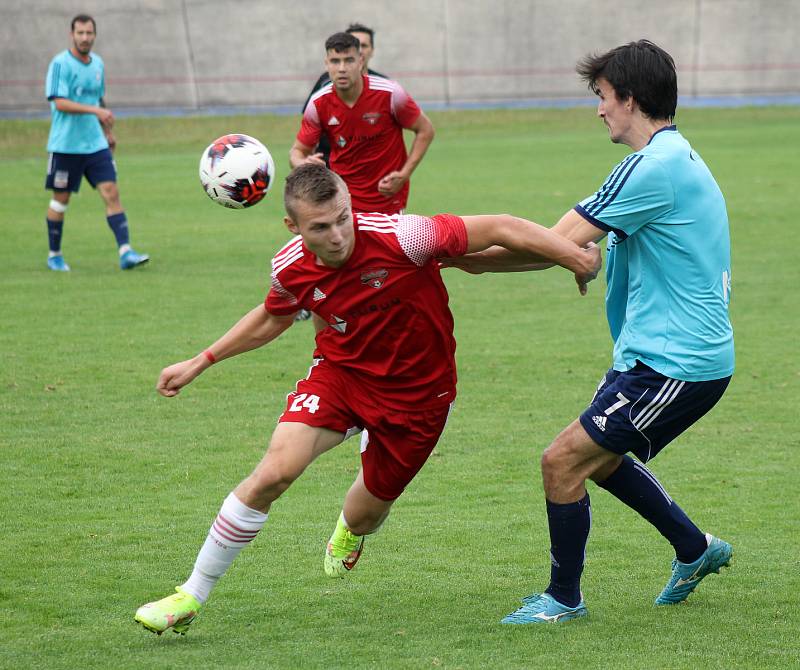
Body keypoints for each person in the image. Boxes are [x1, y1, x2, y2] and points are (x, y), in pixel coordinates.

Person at [134, 163, 601, 635]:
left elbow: (500, 227)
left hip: (420, 398)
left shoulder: (405, 237)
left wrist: (573, 257)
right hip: (342, 379)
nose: (337, 235)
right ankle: (191, 593)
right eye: (320, 227)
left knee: (364, 515)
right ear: (293, 227)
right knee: (273, 473)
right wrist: (201, 361)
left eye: (343, 218)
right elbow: (273, 317)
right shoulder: (290, 266)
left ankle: (352, 527)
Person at [454, 40, 735, 624]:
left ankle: (563, 599)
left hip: (676, 365)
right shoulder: (674, 156)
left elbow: (551, 245)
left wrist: (453, 253)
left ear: (630, 99)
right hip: (655, 356)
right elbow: (574, 248)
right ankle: (694, 547)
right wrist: (478, 260)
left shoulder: (650, 169)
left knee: (561, 462)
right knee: (598, 457)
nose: (599, 109)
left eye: (604, 97)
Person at [43, 14, 149, 272]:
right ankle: (54, 254)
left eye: (89, 33)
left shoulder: (98, 64)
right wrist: (96, 112)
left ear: (94, 35)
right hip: (66, 146)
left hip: (95, 144)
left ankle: (126, 252)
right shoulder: (60, 64)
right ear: (72, 35)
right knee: (60, 201)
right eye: (80, 33)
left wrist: (106, 132)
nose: (85, 38)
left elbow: (98, 100)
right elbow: (59, 102)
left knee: (111, 193)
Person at [290, 31, 434, 216]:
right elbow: (297, 152)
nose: (342, 68)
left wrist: (405, 174)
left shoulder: (390, 94)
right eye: (335, 61)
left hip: (387, 198)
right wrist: (302, 163)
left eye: (349, 60)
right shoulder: (318, 103)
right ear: (326, 63)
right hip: (342, 200)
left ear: (361, 61)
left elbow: (425, 130)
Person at [301, 23, 388, 167]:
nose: (359, 50)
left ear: (372, 50)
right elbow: (309, 125)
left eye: (364, 46)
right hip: (330, 167)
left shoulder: (385, 86)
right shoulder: (325, 83)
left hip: (371, 170)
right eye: (354, 44)